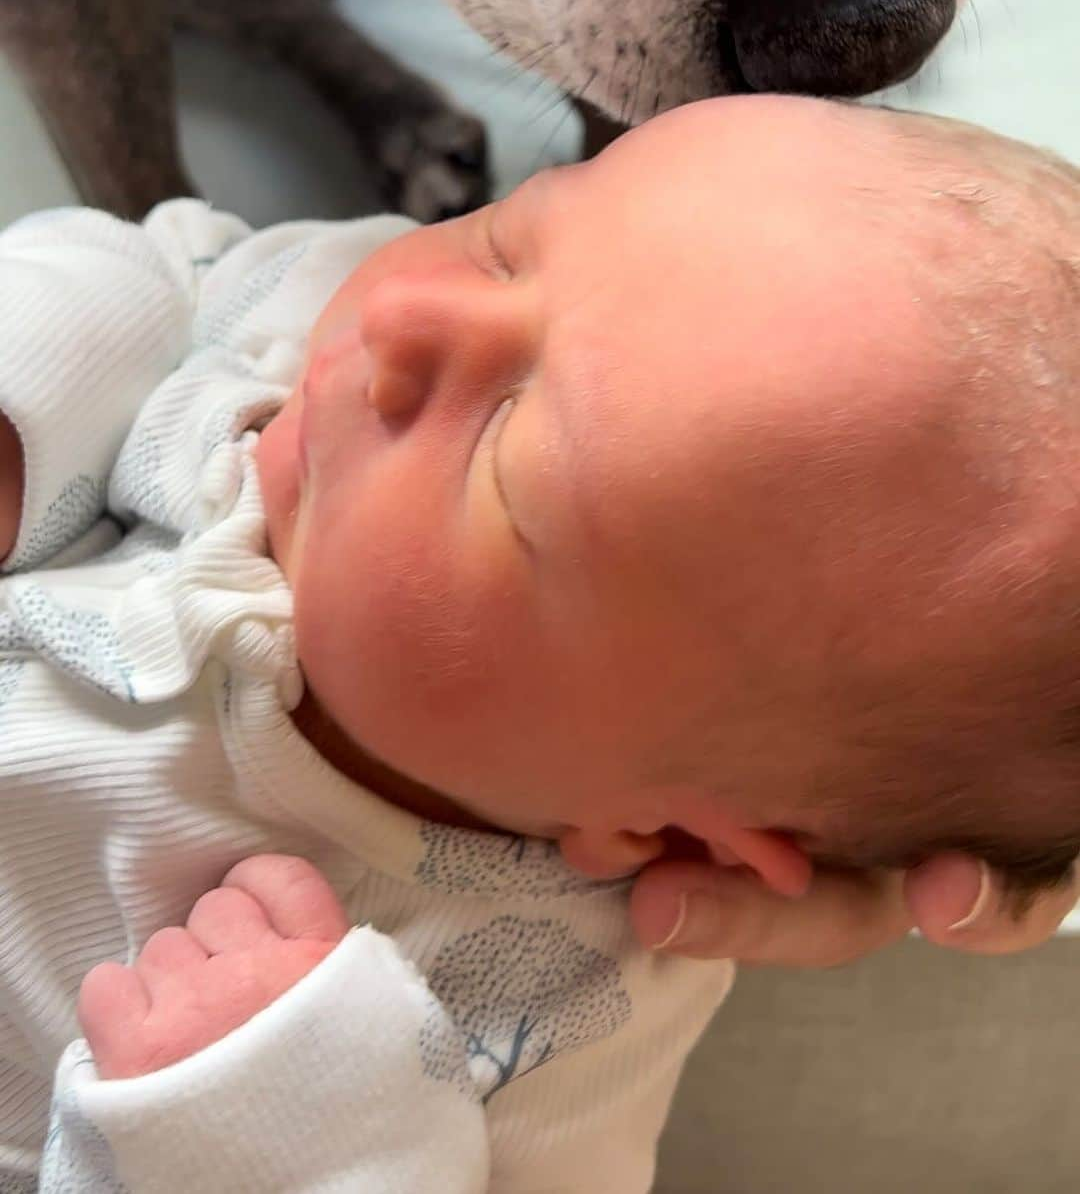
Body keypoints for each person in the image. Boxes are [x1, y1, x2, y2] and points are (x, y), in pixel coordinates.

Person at [1, 94, 1078, 1192]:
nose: (407, 312)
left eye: (508, 456)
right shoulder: (311, 333)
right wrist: (26, 406)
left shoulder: (550, 1017)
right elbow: (166, 267)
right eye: (508, 237)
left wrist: (281, 1129)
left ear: (673, 835)